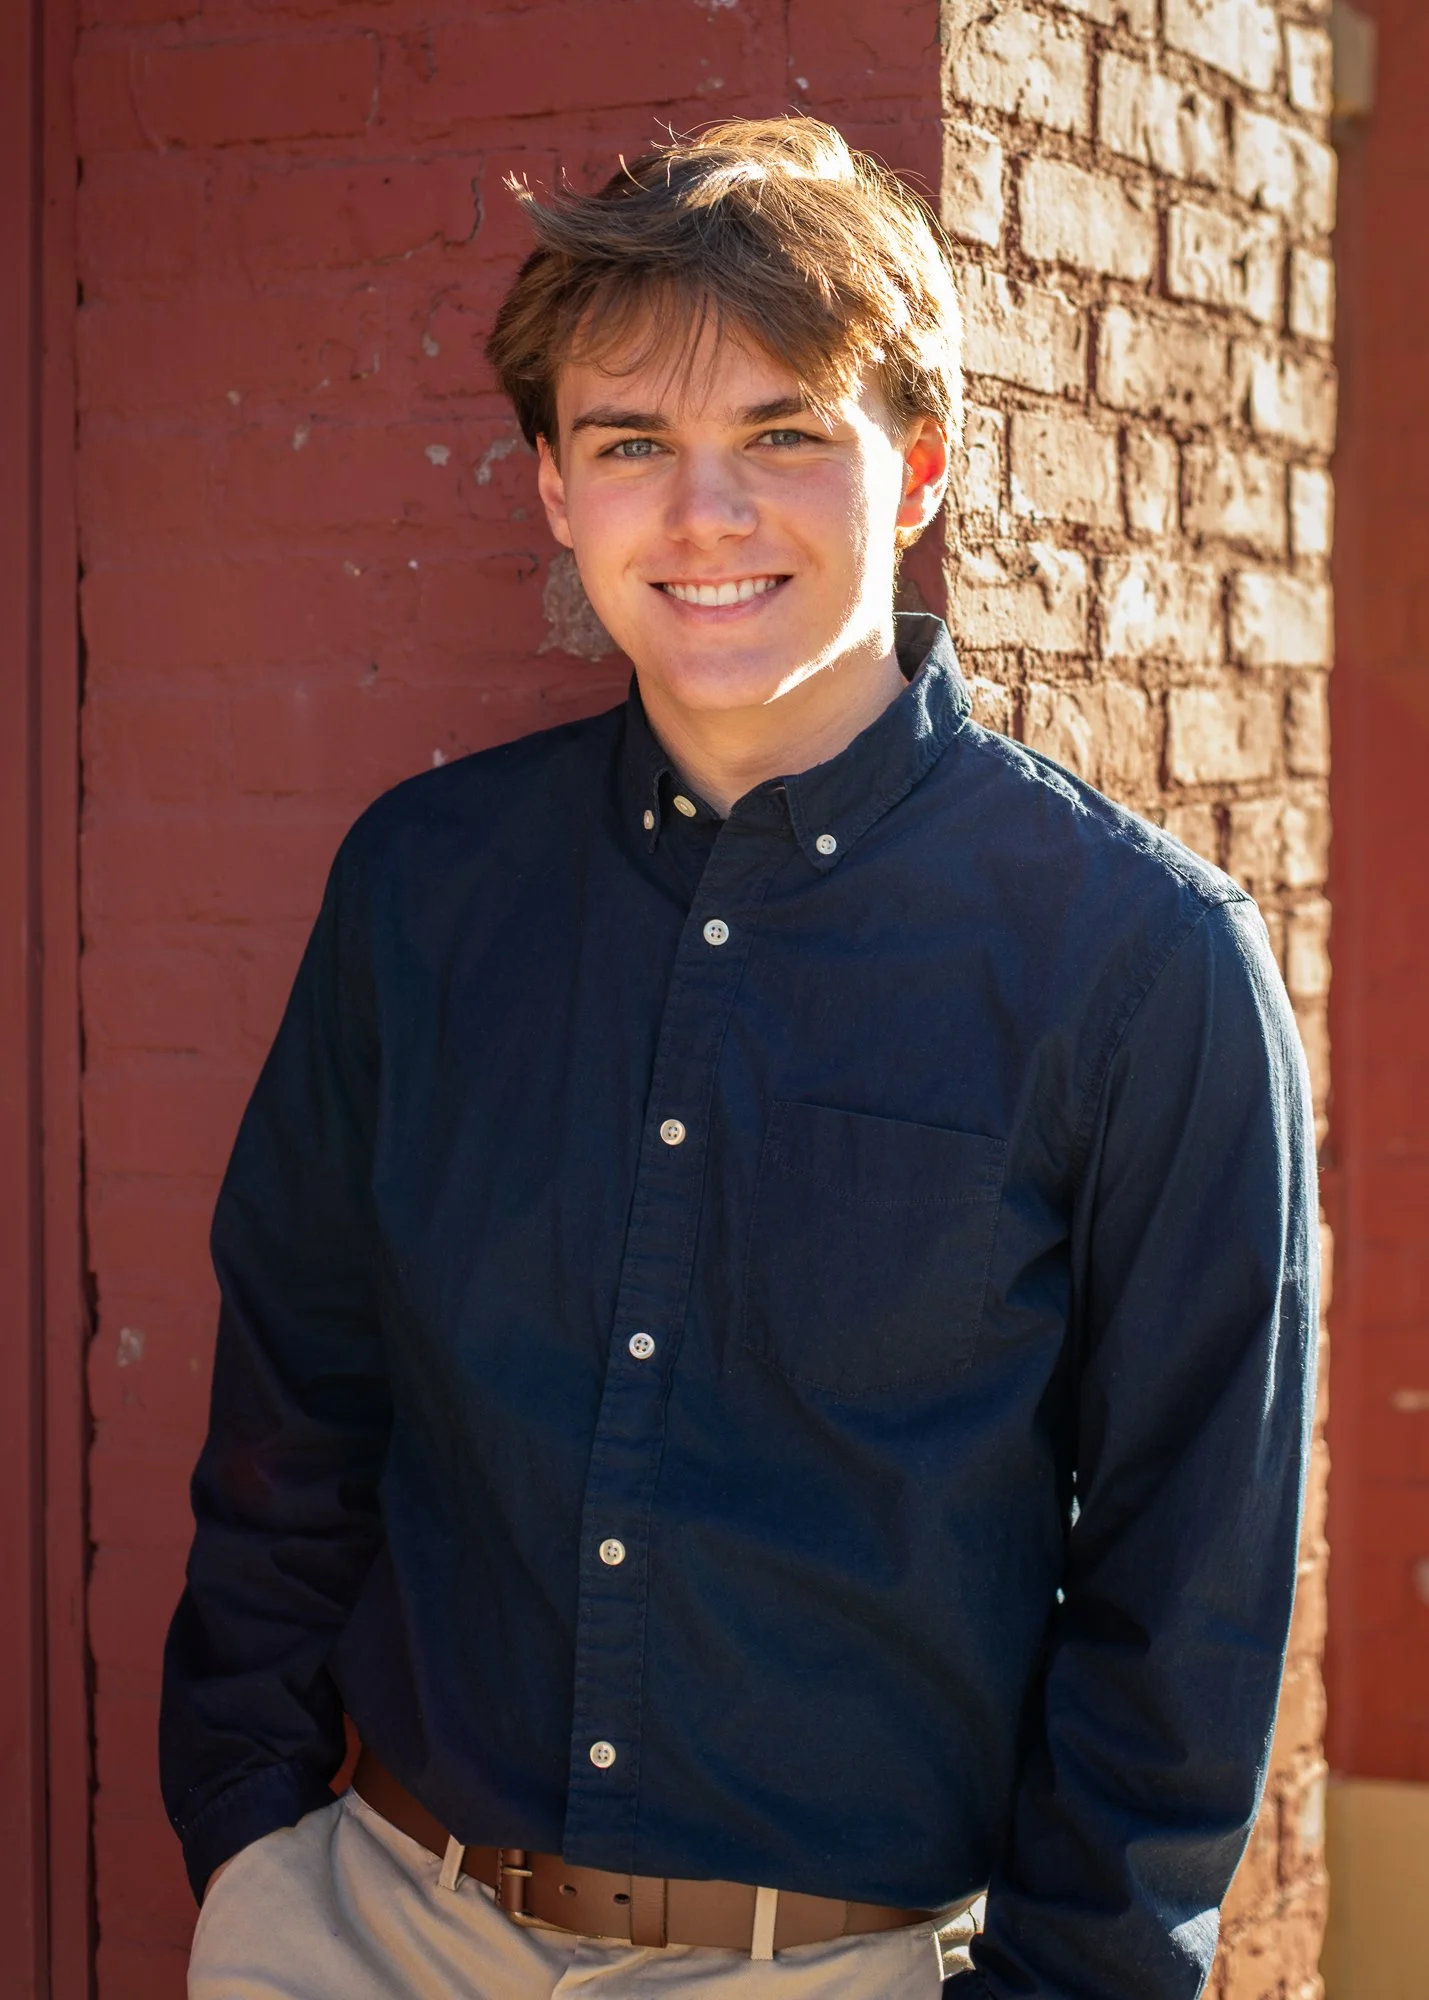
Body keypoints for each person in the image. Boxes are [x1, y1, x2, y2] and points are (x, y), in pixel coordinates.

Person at [162, 117, 1318, 2000]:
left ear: (920, 467)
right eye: (632, 445)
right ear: (552, 489)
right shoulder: (423, 893)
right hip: (365, 1927)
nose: (706, 515)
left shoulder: (1141, 965)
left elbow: (1186, 1591)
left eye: (786, 432)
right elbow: (298, 1406)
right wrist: (249, 1846)